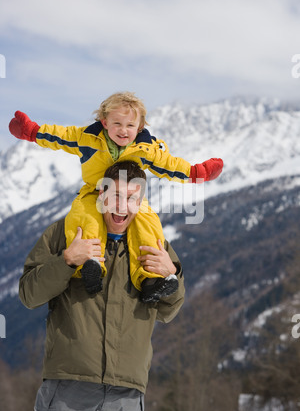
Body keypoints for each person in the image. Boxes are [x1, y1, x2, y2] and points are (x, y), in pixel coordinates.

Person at [10, 91, 223, 302]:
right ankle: (90, 265)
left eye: (130, 126)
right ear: (104, 122)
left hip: (132, 197)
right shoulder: (87, 139)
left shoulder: (146, 149)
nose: (123, 130)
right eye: (117, 124)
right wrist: (31, 131)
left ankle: (149, 279)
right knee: (86, 219)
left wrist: (197, 172)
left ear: (139, 127)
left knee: (149, 224)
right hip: (94, 192)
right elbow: (59, 136)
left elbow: (170, 165)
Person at [19, 160, 185, 411]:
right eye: (116, 195)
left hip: (126, 396)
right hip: (67, 390)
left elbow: (168, 311)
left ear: (140, 202)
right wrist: (66, 261)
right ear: (101, 195)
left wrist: (171, 275)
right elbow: (29, 294)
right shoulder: (64, 234)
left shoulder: (155, 244)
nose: (122, 206)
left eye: (131, 198)